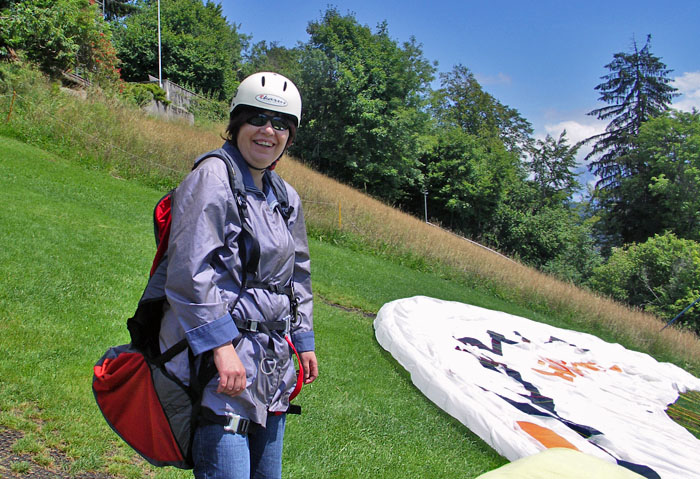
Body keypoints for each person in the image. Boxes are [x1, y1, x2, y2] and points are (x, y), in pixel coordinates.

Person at [158, 72, 318, 479]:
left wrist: (303, 339)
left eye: (280, 124)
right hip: (223, 372)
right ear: (237, 122)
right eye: (258, 118)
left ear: (290, 135)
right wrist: (220, 345)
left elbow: (297, 275)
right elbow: (189, 269)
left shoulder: (285, 197)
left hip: (271, 368)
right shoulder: (213, 176)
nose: (268, 131)